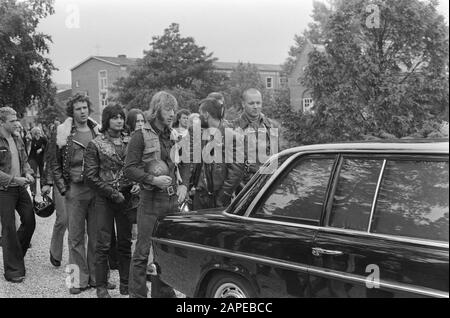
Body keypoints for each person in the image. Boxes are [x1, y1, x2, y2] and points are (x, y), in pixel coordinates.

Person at [125, 91, 190, 298]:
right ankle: (137, 294)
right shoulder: (140, 135)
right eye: (167, 109)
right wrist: (152, 180)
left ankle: (163, 294)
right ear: (156, 110)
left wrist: (184, 186)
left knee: (166, 252)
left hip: (172, 201)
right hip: (150, 201)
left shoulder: (174, 135)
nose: (172, 114)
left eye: (173, 109)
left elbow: (187, 163)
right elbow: (129, 169)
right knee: (142, 253)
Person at [46, 93, 103, 294]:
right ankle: (77, 281)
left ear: (89, 109)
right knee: (76, 238)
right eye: (78, 108)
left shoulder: (97, 130)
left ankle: (96, 279)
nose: (82, 111)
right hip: (75, 190)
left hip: (96, 190)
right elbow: (53, 162)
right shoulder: (62, 132)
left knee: (96, 237)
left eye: (85, 108)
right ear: (72, 111)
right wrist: (63, 188)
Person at [85, 104, 139, 298]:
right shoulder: (96, 144)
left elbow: (137, 167)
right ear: (107, 120)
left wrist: (137, 183)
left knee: (125, 243)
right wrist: (112, 193)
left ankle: (126, 283)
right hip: (104, 198)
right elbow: (90, 177)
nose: (119, 120)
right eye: (114, 117)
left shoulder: (130, 141)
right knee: (103, 244)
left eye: (121, 117)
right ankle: (101, 287)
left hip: (126, 198)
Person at [0, 107, 35, 283]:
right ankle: (13, 270)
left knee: (30, 222)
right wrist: (15, 179)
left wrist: (28, 173)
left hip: (20, 187)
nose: (17, 123)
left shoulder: (17, 139)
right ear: (2, 122)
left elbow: (25, 161)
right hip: (4, 190)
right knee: (8, 229)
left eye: (16, 119)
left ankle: (14, 256)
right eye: (12, 120)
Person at [191, 98, 242, 210]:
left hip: (217, 199)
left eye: (200, 114)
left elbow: (236, 172)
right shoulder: (203, 134)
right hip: (199, 196)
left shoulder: (231, 137)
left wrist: (222, 197)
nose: (199, 118)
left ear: (206, 114)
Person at [231, 88, 279, 191]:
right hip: (243, 186)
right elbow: (230, 165)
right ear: (243, 104)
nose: (256, 106)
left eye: (258, 103)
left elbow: (277, 156)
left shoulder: (271, 125)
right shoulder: (233, 127)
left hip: (268, 183)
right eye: (251, 103)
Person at [28, 127, 47, 197]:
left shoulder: (43, 139)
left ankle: (43, 190)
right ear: (35, 132)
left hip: (41, 159)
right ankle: (33, 191)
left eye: (39, 131)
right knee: (33, 174)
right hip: (33, 158)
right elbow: (31, 149)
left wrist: (41, 149)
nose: (39, 132)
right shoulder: (32, 139)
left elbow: (47, 146)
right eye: (37, 131)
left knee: (42, 174)